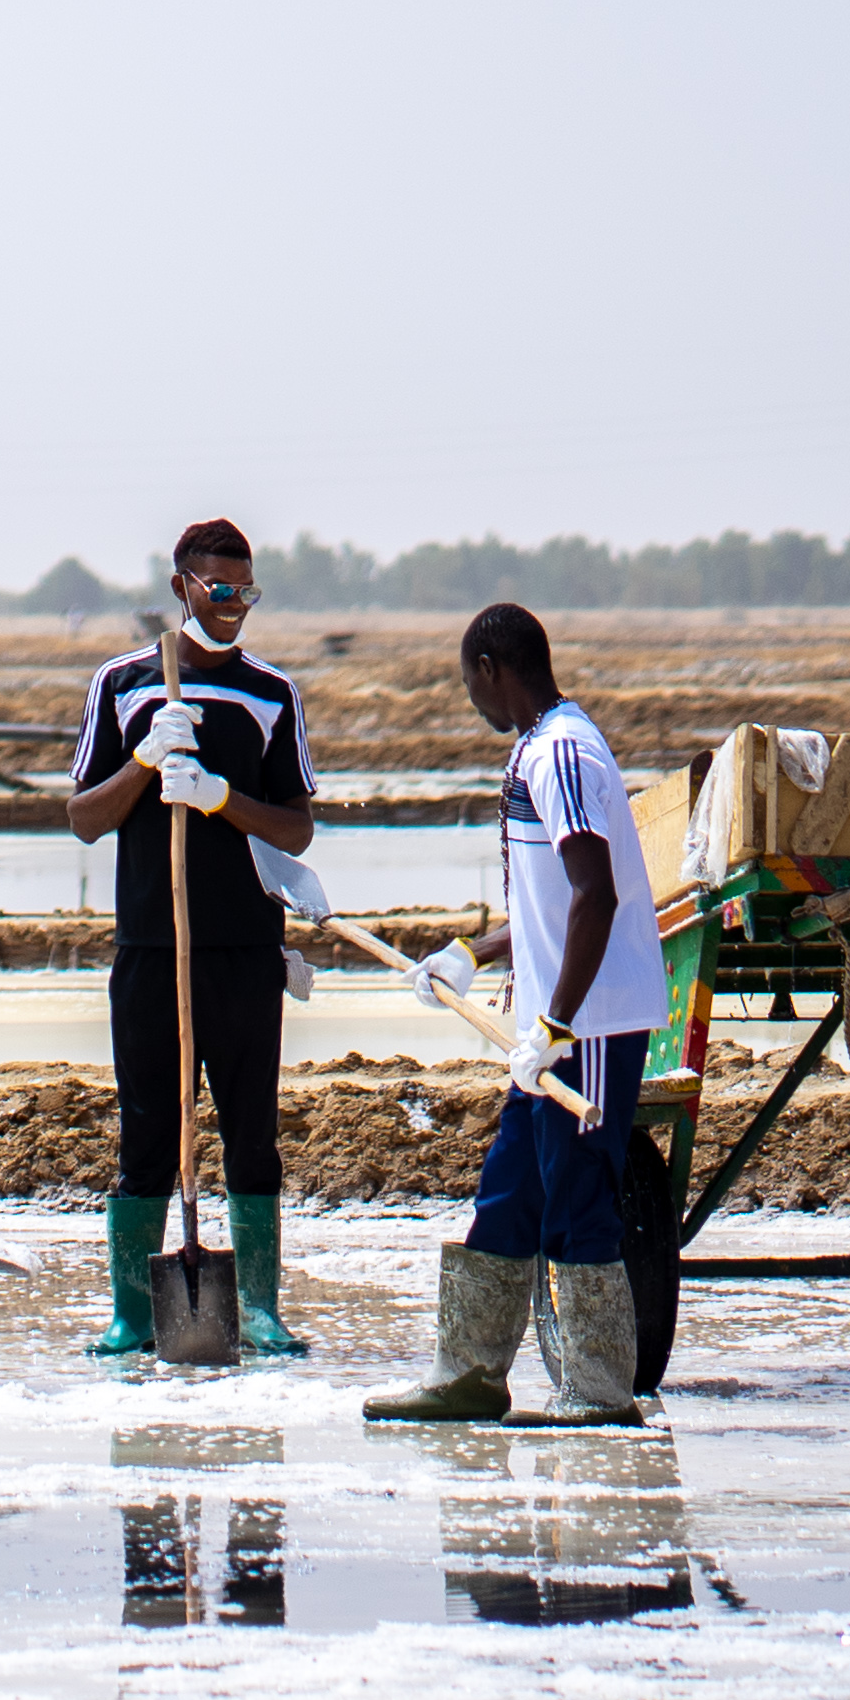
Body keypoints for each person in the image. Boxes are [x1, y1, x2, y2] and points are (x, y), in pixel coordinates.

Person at [369, 604, 670, 1426]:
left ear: (491, 666)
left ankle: (600, 1390)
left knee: (577, 1200)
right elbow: (547, 904)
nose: (470, 695)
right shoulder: (536, 746)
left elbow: (595, 894)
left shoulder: (564, 751)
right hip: (550, 1025)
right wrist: (472, 953)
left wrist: (559, 1025)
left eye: (470, 679)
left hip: (592, 1023)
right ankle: (467, 1373)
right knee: (507, 1195)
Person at [65, 521, 322, 1356]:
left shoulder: (270, 692)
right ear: (181, 586)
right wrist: (143, 761)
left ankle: (257, 1310)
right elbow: (82, 820)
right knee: (144, 1137)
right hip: (149, 948)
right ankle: (131, 1315)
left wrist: (217, 797)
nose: (234, 607)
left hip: (245, 950)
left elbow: (295, 829)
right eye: (219, 591)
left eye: (246, 592)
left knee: (252, 1133)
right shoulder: (124, 683)